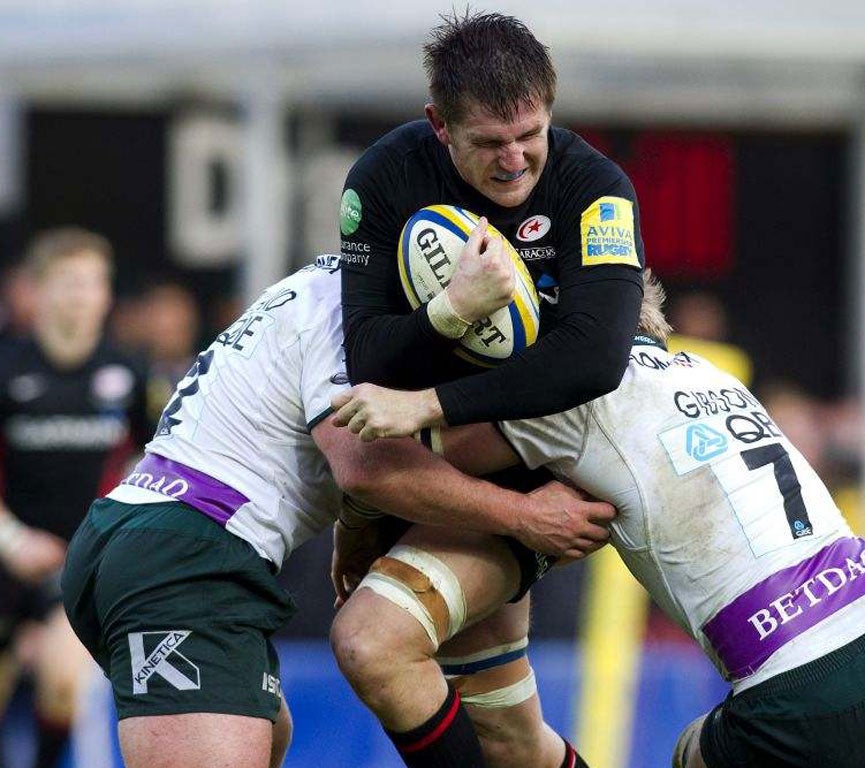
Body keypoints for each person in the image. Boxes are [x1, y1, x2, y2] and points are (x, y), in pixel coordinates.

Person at [343, 270, 865, 768]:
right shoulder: (708, 372)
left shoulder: (572, 395)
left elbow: (400, 463)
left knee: (690, 754)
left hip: (796, 682)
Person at [59, 253, 613, 768]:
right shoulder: (354, 307)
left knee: (270, 734)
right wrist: (525, 516)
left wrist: (355, 524)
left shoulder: (337, 284)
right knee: (373, 651)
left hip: (145, 531)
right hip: (184, 559)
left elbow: (342, 452)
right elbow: (368, 467)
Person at [335, 11, 643, 765]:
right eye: (489, 143)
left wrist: (427, 411)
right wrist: (453, 310)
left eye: (529, 134)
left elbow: (597, 360)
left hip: (549, 481)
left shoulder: (594, 187)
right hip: (446, 469)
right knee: (510, 740)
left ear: (550, 107)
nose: (514, 161)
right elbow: (369, 355)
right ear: (439, 125)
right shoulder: (384, 177)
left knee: (373, 641)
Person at [0, 228, 152, 768]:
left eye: (92, 283)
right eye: (67, 283)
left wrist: (114, 543)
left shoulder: (128, 375)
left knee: (64, 681)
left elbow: (155, 468)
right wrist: (13, 540)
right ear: (34, 292)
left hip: (80, 568)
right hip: (9, 558)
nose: (81, 297)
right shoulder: (7, 369)